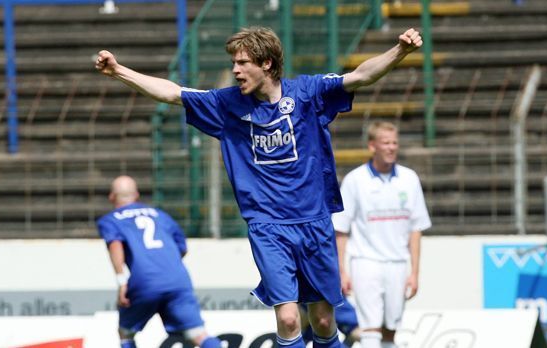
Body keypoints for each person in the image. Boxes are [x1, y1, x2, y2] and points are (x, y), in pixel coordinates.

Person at [95, 26, 422, 347]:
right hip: (268, 226)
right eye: (233, 63)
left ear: (266, 63)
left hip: (315, 222)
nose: (235, 71)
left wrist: (400, 51)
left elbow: (361, 75)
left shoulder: (308, 93)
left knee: (323, 320)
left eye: (242, 63)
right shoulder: (226, 104)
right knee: (290, 318)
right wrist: (120, 71)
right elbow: (172, 92)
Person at [332, 121, 432, 348]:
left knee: (390, 329)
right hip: (366, 263)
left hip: (398, 263)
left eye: (394, 142)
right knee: (370, 328)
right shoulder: (355, 180)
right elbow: (341, 229)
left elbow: (416, 229)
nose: (391, 148)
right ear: (372, 146)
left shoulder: (409, 179)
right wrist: (342, 271)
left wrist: (414, 272)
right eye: (385, 143)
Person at [97, 175, 221, 348]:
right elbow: (182, 247)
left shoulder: (110, 220)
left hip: (144, 280)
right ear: (136, 195)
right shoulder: (161, 215)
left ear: (112, 197)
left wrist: (121, 280)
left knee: (126, 332)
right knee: (198, 334)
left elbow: (115, 245)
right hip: (177, 279)